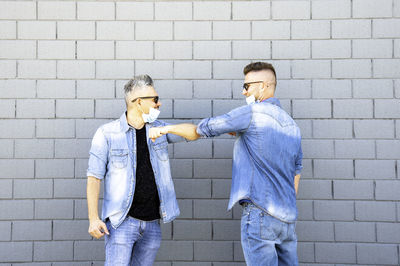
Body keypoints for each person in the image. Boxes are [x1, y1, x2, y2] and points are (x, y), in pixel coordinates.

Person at [196, 62, 302, 265]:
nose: (243, 92)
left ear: (263, 86)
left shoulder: (252, 113)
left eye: (247, 86)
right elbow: (296, 172)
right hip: (287, 218)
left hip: (260, 213)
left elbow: (208, 127)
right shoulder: (292, 126)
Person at [86, 74, 198, 266]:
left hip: (152, 223)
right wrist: (93, 218)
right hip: (121, 222)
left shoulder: (160, 129)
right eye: (155, 99)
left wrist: (168, 129)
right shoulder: (107, 133)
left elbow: (195, 133)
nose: (159, 103)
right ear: (138, 102)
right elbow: (94, 177)